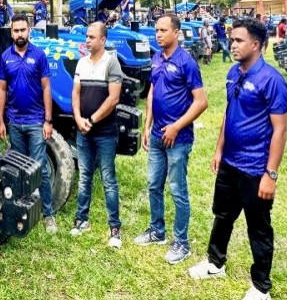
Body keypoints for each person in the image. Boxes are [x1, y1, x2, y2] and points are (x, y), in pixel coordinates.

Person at [188, 18, 287, 300]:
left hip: (256, 168)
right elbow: (229, 114)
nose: (232, 44)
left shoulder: (272, 81)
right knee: (222, 215)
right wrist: (219, 150)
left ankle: (260, 287)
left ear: (256, 45)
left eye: (239, 40)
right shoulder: (233, 72)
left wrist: (271, 174)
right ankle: (215, 262)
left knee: (258, 227)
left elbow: (280, 130)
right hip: (230, 164)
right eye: (232, 40)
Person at [135, 15, 208, 265]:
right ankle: (157, 231)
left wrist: (176, 127)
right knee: (154, 185)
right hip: (156, 135)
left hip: (178, 138)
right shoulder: (156, 58)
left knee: (177, 189)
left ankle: (182, 243)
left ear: (176, 33)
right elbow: (153, 91)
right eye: (156, 30)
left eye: (163, 30)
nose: (158, 34)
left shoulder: (186, 62)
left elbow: (201, 101)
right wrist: (147, 126)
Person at [0, 14, 56, 233]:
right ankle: (24, 210)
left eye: (23, 30)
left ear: (29, 30)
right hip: (15, 122)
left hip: (35, 121)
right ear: (11, 32)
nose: (19, 34)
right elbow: (2, 89)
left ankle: (48, 214)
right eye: (16, 30)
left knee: (40, 169)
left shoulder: (39, 55)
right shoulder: (5, 57)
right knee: (19, 169)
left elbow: (47, 88)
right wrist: (0, 120)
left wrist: (48, 120)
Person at [70, 22, 123, 248]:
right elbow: (75, 93)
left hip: (105, 133)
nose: (87, 40)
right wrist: (79, 119)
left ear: (103, 40)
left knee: (108, 180)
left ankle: (114, 228)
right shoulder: (82, 62)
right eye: (86, 36)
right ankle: (81, 220)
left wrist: (91, 121)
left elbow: (114, 98)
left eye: (92, 37)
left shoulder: (112, 63)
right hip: (84, 132)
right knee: (84, 177)